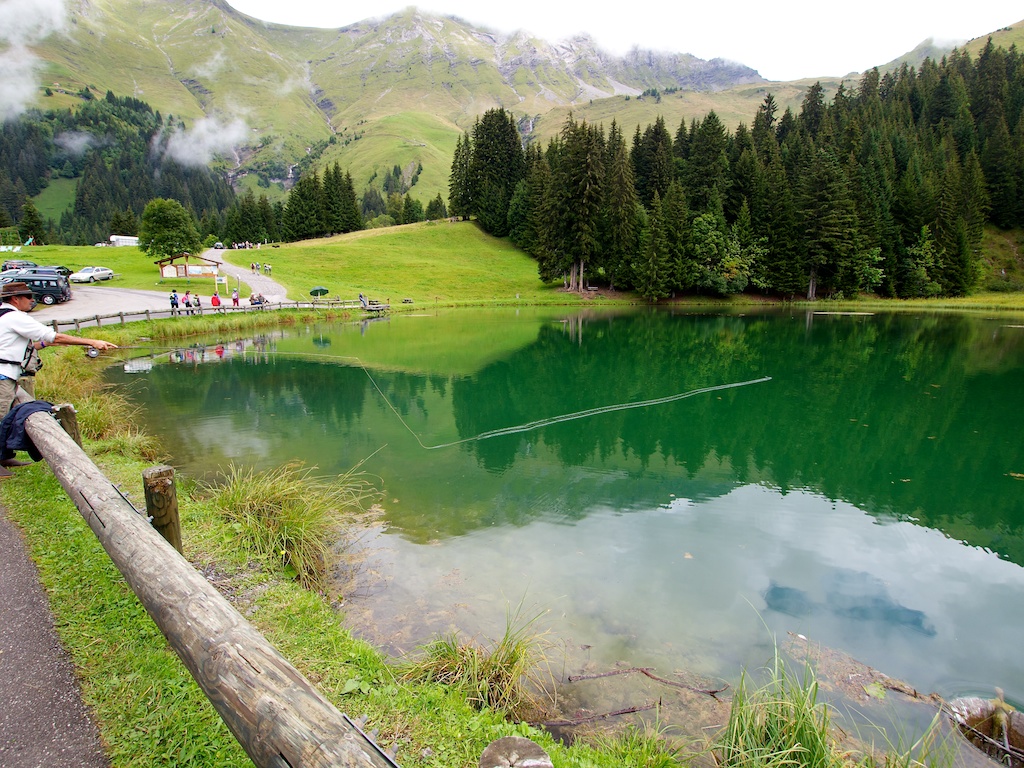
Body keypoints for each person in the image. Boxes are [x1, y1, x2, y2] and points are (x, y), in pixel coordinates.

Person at [0, 282, 117, 468]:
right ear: (15, 299)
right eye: (28, 297)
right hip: (2, 376)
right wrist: (92, 341)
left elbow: (26, 345)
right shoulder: (15, 317)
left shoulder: (4, 315)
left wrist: (46, 345)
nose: (32, 301)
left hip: (7, 374)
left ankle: (3, 458)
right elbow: (53, 335)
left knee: (4, 415)